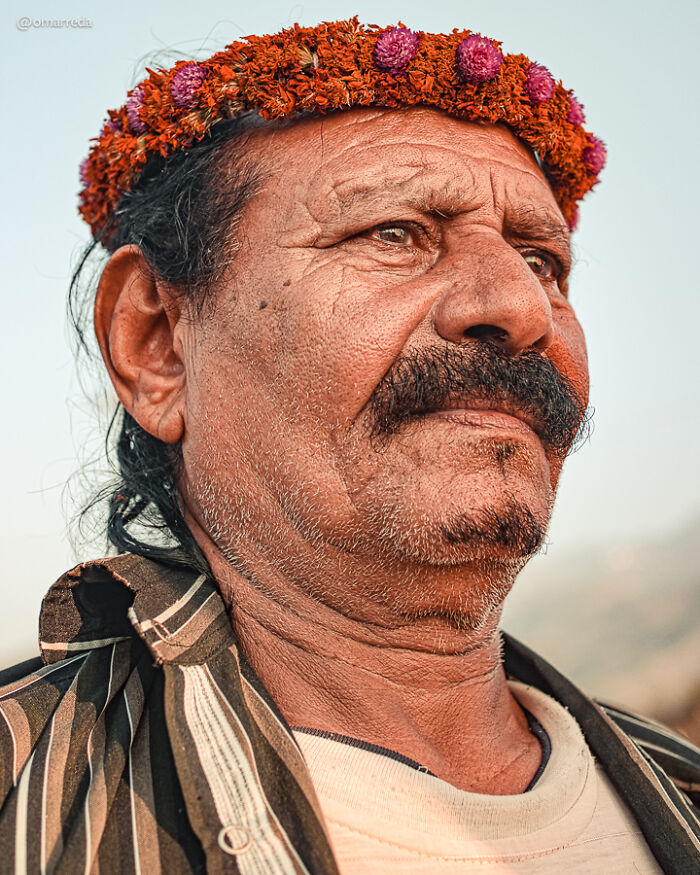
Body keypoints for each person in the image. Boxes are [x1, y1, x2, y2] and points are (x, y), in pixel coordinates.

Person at [0, 18, 698, 874]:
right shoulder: (20, 797)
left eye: (543, 260)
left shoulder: (680, 792)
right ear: (159, 345)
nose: (519, 307)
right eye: (395, 233)